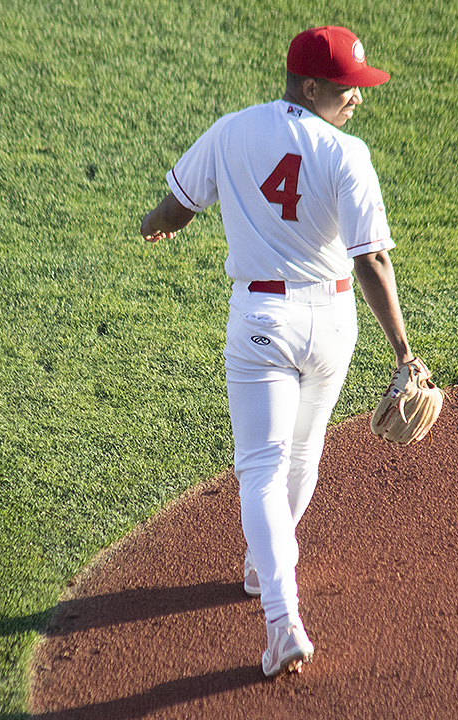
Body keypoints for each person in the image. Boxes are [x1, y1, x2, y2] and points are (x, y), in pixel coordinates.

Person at [140, 25, 416, 677]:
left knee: (262, 468)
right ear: (313, 85)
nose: (357, 99)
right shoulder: (348, 155)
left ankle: (282, 620)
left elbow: (178, 206)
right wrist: (405, 351)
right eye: (349, 87)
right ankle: (265, 572)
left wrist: (152, 225)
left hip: (262, 317)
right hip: (334, 323)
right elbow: (371, 258)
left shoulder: (232, 130)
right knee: (301, 455)